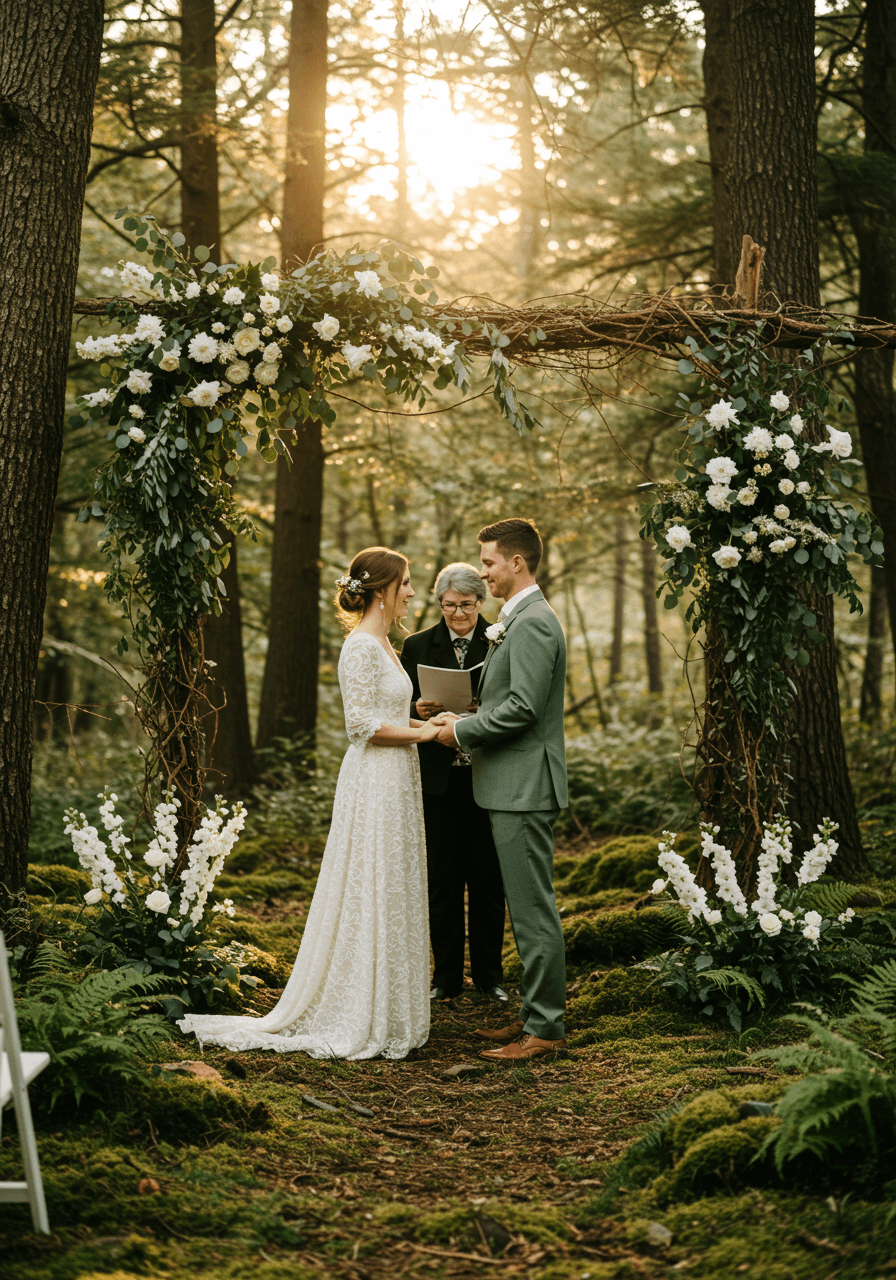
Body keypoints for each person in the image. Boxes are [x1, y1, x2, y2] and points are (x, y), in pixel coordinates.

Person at [179, 547, 447, 1060]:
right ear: (383, 590)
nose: (413, 592)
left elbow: (387, 713)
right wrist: (427, 736)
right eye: (407, 583)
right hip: (375, 779)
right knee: (372, 879)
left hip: (399, 775)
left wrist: (426, 724)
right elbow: (362, 727)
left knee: (393, 878)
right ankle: (359, 1007)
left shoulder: (389, 645)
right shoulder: (361, 648)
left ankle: (391, 1005)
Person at [436, 518, 568, 1063]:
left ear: (517, 562)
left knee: (533, 911)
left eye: (489, 562)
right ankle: (533, 1018)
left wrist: (462, 731)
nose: (484, 572)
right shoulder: (517, 620)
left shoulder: (534, 622)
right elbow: (507, 699)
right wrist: (461, 713)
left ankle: (545, 1030)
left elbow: (525, 708)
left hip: (524, 786)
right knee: (524, 906)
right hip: (509, 785)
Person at [400, 563, 507, 1004]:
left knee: (488, 879)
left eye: (465, 605)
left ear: (481, 602)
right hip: (439, 778)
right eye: (449, 606)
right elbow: (398, 702)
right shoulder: (417, 644)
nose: (457, 615)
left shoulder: (501, 639)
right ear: (439, 603)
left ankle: (489, 977)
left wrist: (484, 708)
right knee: (442, 880)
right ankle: (445, 977)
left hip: (487, 772)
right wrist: (419, 707)